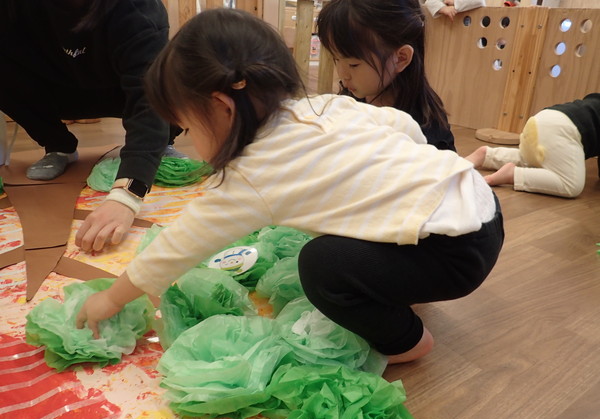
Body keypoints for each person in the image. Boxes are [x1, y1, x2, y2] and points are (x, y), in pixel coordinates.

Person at [76, 8, 504, 364]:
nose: (190, 140)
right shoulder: (325, 105)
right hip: (480, 206)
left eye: (188, 127)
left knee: (320, 265)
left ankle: (406, 342)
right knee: (338, 236)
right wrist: (426, 169)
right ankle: (397, 282)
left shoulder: (253, 175)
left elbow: (179, 246)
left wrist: (111, 299)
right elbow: (402, 124)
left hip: (454, 253)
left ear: (222, 108)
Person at [0, 0, 182, 252]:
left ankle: (161, 145)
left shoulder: (138, 9)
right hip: (61, 90)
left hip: (122, 88)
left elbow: (147, 98)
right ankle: (58, 146)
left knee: (169, 80)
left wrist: (127, 195)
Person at [316, 0, 457, 151]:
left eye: (353, 65)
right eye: (336, 59)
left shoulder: (424, 126)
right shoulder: (351, 99)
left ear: (401, 58)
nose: (343, 74)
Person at [466, 93, 600, 198]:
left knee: (529, 159)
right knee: (571, 185)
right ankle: (514, 174)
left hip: (542, 117)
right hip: (565, 128)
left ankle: (488, 155)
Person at [421, 0, 486, 21]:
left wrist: (455, 2)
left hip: (473, 25)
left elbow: (480, 1)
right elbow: (429, 2)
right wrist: (443, 8)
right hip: (451, 30)